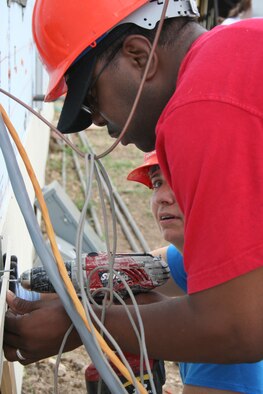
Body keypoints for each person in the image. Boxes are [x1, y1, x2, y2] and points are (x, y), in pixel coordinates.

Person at [4, 0, 263, 367]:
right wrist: (93, 281)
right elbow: (196, 266)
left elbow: (237, 326)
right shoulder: (236, 55)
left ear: (139, 57)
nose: (97, 121)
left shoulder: (201, 105)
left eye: (91, 95)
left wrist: (81, 322)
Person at [128, 150, 263, 393]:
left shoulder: (226, 325)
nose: (163, 198)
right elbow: (127, 272)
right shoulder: (216, 252)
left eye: (180, 181)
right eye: (158, 182)